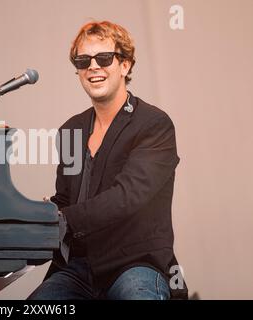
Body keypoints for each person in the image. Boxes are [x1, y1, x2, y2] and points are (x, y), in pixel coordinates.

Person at [28, 20, 187, 300]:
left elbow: (127, 197)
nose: (93, 67)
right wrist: (35, 214)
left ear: (125, 65)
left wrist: (62, 217)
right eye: (83, 60)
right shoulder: (71, 130)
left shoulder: (154, 124)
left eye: (104, 58)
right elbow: (66, 200)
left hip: (136, 264)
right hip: (78, 267)